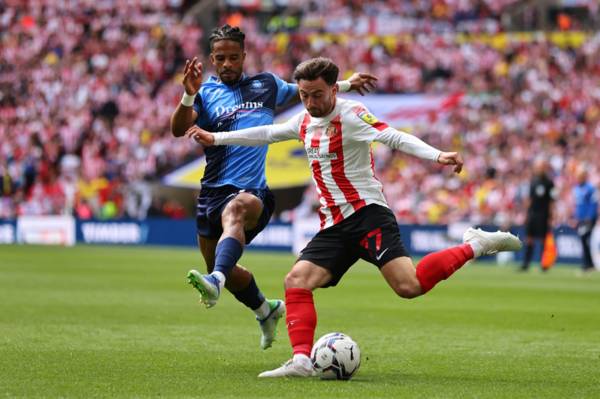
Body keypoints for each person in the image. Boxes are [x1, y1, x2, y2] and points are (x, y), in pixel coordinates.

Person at [186, 57, 522, 377]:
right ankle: (302, 359)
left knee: (409, 286)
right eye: (304, 95)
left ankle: (475, 245)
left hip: (368, 215)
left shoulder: (353, 115)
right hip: (334, 225)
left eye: (317, 94)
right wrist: (215, 137)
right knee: (296, 281)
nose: (310, 102)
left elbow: (393, 136)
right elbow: (267, 133)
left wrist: (438, 156)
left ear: (334, 89)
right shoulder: (303, 121)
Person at [170, 26, 377, 350]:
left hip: (254, 192)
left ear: (244, 57)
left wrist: (348, 83)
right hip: (211, 191)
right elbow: (179, 129)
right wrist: (188, 94)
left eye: (233, 57)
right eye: (220, 58)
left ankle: (216, 282)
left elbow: (305, 90)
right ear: (212, 59)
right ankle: (265, 310)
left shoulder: (265, 85)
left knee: (236, 212)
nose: (227, 64)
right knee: (221, 263)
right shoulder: (206, 93)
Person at [520, 159, 556, 271]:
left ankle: (544, 264)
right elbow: (529, 199)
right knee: (529, 239)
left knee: (543, 240)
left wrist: (551, 216)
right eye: (537, 167)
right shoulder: (533, 181)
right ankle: (526, 264)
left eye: (540, 167)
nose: (538, 169)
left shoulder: (549, 183)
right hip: (533, 214)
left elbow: (551, 201)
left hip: (543, 215)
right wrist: (526, 214)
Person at [572, 167, 598, 273]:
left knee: (586, 239)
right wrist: (575, 217)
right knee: (583, 240)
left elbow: (593, 204)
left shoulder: (590, 188)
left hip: (588, 219)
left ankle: (588, 264)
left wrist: (589, 216)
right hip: (581, 219)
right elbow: (577, 205)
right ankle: (589, 263)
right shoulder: (576, 188)